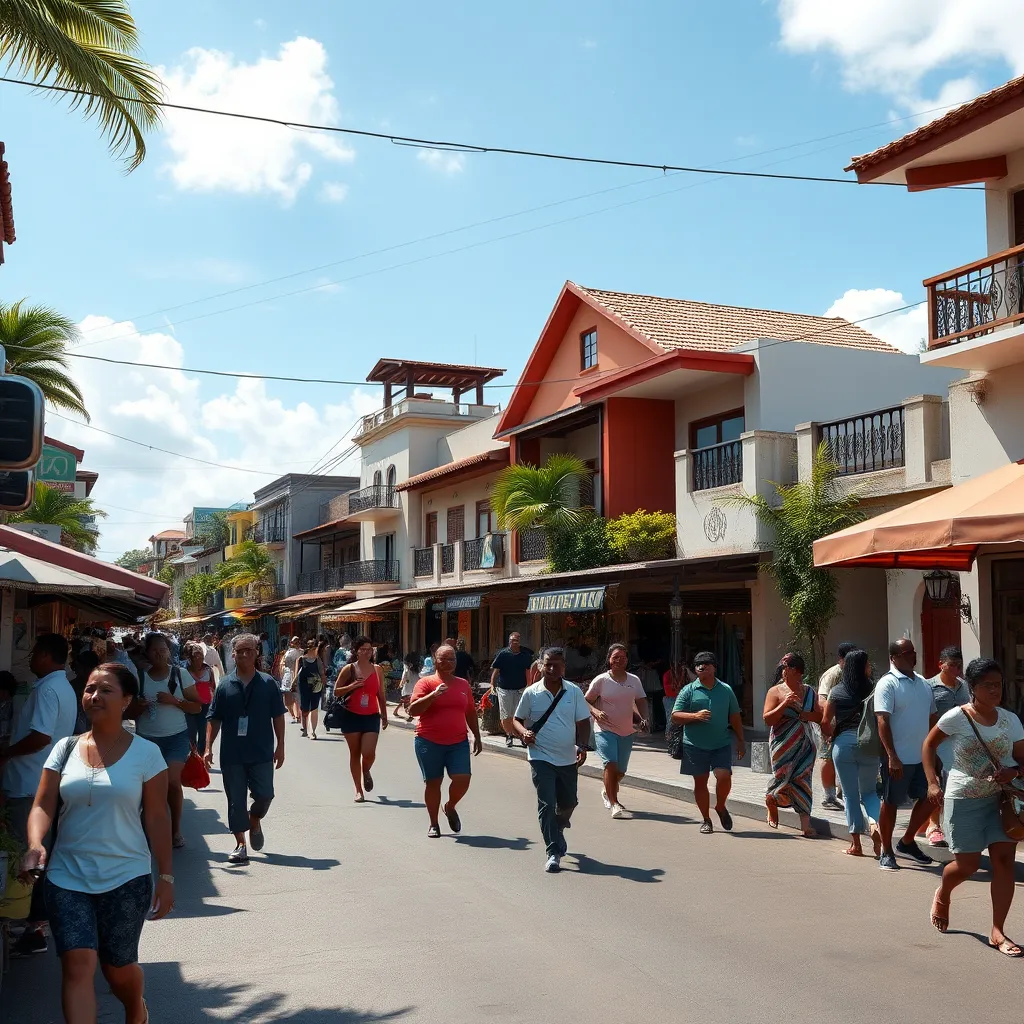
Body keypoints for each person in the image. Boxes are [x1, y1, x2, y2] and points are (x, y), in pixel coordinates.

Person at [19, 662, 173, 1024]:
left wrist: (166, 877)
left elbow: (156, 818)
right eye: (89, 689)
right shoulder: (65, 748)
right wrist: (35, 842)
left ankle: (136, 1008)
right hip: (66, 875)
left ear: (127, 700)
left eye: (105, 690)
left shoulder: (147, 754)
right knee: (77, 963)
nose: (94, 696)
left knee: (117, 969)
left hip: (126, 877)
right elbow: (43, 803)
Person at [924, 657, 1024, 955]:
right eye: (988, 685)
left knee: (1004, 862)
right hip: (964, 798)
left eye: (999, 684)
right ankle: (944, 891)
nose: (996, 690)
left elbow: (1021, 758)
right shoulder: (957, 716)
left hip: (1002, 800)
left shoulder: (1010, 720)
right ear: (973, 687)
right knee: (966, 865)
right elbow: (929, 745)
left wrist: (1014, 772)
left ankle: (998, 932)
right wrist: (932, 782)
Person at [0, 633, 77, 957]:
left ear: (46, 655)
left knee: (27, 855)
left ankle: (29, 927)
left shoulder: (47, 689)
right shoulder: (62, 686)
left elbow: (41, 737)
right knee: (36, 854)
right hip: (41, 783)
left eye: (33, 652)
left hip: (30, 784)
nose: (30, 658)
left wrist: (5, 753)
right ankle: (33, 925)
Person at [205, 633, 286, 864]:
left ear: (256, 653)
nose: (244, 654)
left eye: (249, 650)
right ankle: (240, 844)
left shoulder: (268, 683)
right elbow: (214, 718)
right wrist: (208, 747)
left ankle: (255, 819)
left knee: (265, 795)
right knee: (235, 800)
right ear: (232, 654)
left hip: (261, 752)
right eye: (239, 651)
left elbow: (278, 716)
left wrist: (280, 747)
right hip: (232, 754)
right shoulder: (224, 686)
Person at [512, 648, 592, 872]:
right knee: (547, 804)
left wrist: (583, 746)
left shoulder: (574, 692)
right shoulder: (531, 692)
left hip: (567, 757)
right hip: (540, 756)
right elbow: (516, 720)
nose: (552, 668)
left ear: (564, 666)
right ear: (540, 665)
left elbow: (583, 722)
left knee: (569, 803)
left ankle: (556, 830)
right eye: (547, 664)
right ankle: (553, 851)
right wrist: (523, 733)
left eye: (557, 664)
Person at [132, 632, 202, 850]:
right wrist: (139, 706)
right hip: (147, 739)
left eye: (163, 650)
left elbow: (197, 706)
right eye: (154, 650)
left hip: (176, 738)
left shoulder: (181, 675)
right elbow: (127, 710)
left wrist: (175, 700)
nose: (159, 654)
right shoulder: (139, 677)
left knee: (172, 782)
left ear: (169, 652)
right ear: (147, 653)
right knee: (148, 787)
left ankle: (175, 830)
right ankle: (147, 830)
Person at [875, 637, 938, 871]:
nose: (913, 655)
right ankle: (886, 850)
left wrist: (934, 751)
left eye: (913, 651)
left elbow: (933, 718)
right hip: (898, 759)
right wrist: (892, 755)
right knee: (891, 803)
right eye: (906, 653)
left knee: (933, 797)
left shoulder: (923, 683)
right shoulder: (887, 684)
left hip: (923, 758)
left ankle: (907, 841)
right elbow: (882, 720)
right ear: (894, 658)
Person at [408, 645, 482, 837]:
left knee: (463, 779)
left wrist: (477, 735)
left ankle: (450, 806)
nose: (449, 663)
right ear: (435, 660)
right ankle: (434, 824)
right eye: (445, 659)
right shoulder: (426, 683)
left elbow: (470, 712)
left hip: (457, 742)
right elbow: (413, 710)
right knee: (433, 782)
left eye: (452, 659)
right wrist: (433, 695)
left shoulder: (463, 684)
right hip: (428, 741)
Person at [671, 651, 745, 835]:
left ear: (714, 667)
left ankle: (720, 806)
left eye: (705, 664)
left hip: (720, 743)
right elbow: (675, 716)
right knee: (700, 782)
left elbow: (735, 716)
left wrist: (741, 740)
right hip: (694, 745)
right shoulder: (689, 690)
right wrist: (695, 716)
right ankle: (706, 819)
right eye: (698, 665)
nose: (701, 667)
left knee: (724, 776)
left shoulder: (726, 689)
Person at [823, 649, 882, 857]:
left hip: (844, 745)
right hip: (869, 744)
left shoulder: (837, 691)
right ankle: (875, 825)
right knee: (870, 792)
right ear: (864, 667)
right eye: (868, 664)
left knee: (850, 795)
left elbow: (824, 721)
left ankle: (856, 844)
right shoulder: (875, 690)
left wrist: (830, 736)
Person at [585, 643, 649, 819]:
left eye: (623, 657)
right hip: (604, 729)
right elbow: (586, 700)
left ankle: (607, 791)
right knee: (610, 765)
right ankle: (614, 803)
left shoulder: (634, 680)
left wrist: (644, 718)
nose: (619, 660)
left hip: (627, 731)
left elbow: (642, 700)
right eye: (615, 657)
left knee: (620, 771)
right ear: (609, 660)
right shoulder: (601, 680)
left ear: (627, 659)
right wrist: (595, 711)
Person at [763, 653, 822, 838]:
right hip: (782, 743)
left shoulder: (809, 692)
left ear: (795, 671)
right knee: (783, 778)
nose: (783, 671)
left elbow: (819, 717)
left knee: (803, 780)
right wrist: (784, 705)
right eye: (783, 668)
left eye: (786, 668)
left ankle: (806, 825)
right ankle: (772, 801)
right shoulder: (776, 691)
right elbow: (767, 719)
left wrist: (807, 715)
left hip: (805, 744)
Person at [920, 645, 969, 848]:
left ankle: (954, 824)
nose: (957, 669)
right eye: (953, 665)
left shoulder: (964, 686)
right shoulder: (928, 687)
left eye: (960, 665)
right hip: (936, 743)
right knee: (936, 783)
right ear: (941, 665)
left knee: (956, 785)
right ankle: (933, 825)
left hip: (960, 744)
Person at [333, 636, 389, 802]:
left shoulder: (377, 669)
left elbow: (381, 694)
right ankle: (358, 790)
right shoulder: (349, 669)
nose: (366, 652)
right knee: (355, 753)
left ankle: (366, 770)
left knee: (369, 753)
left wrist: (384, 715)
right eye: (363, 649)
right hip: (351, 715)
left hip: (371, 715)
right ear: (356, 651)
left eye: (369, 649)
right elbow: (336, 691)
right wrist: (352, 686)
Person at [817, 642, 857, 810]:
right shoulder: (833, 675)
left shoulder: (857, 673)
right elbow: (822, 700)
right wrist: (829, 722)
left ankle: (844, 791)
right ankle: (829, 796)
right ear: (841, 659)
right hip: (833, 723)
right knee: (827, 757)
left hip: (852, 725)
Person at [490, 632, 535, 748]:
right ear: (509, 641)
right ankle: (509, 735)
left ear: (519, 641)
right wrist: (492, 685)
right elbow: (496, 671)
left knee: (519, 714)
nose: (513, 642)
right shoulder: (503, 654)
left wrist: (529, 686)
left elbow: (527, 671)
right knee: (506, 715)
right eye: (511, 640)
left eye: (515, 640)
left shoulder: (525, 654)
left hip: (520, 688)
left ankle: (521, 735)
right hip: (504, 688)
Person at [183, 641, 216, 756]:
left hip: (205, 706)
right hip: (190, 706)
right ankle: (192, 756)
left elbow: (213, 687)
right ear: (191, 659)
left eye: (201, 657)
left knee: (203, 732)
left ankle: (201, 757)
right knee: (191, 733)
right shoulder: (184, 671)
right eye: (196, 658)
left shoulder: (208, 670)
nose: (199, 660)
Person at [296, 639, 327, 739]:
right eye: (314, 648)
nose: (316, 650)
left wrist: (323, 685)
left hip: (316, 686)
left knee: (314, 708)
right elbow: (296, 674)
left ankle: (312, 731)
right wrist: (294, 686)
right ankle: (305, 728)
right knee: (305, 708)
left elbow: (322, 673)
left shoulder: (318, 660)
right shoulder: (301, 659)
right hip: (304, 686)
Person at [662, 659, 694, 739]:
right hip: (671, 698)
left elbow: (694, 680)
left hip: (681, 698)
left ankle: (679, 737)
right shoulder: (668, 674)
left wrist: (687, 670)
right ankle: (669, 736)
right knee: (671, 718)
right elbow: (671, 690)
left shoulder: (685, 674)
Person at [280, 635, 303, 724]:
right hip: (289, 675)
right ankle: (294, 715)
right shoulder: (288, 652)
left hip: (297, 675)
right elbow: (283, 665)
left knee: (297, 697)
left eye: (298, 642)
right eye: (295, 642)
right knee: (288, 699)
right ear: (291, 643)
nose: (297, 644)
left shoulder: (302, 652)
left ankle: (297, 716)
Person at [395, 652, 420, 719]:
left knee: (405, 700)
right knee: (408, 701)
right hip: (413, 687)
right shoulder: (417, 668)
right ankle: (409, 714)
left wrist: (401, 684)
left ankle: (397, 711)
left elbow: (404, 676)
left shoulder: (407, 667)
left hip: (408, 687)